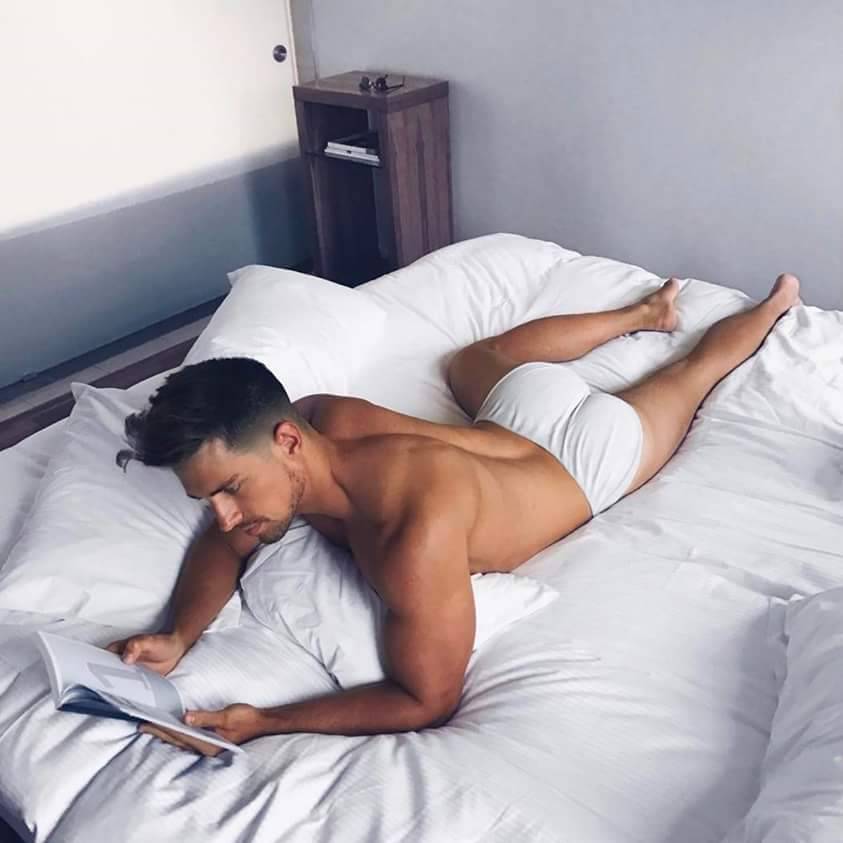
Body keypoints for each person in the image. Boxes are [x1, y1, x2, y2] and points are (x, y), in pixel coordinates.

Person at [107, 272, 801, 756]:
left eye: (231, 489)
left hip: (585, 457)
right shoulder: (318, 420)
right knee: (478, 358)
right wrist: (178, 633)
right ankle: (642, 315)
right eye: (212, 499)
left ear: (287, 441)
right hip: (515, 413)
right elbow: (225, 541)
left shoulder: (412, 533)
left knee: (686, 374)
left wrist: (264, 720)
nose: (227, 517)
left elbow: (425, 698)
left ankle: (776, 303)